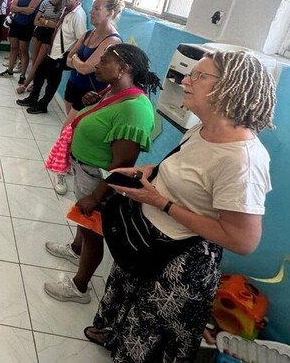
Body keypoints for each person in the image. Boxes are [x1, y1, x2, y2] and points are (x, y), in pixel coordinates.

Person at [86, 50, 275, 362]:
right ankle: (111, 335)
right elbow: (179, 170)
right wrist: (145, 172)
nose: (186, 79)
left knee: (148, 332)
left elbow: (243, 240)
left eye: (199, 76)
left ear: (229, 87)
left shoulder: (243, 160)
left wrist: (162, 203)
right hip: (147, 242)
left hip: (179, 262)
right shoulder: (202, 128)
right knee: (127, 304)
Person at [43, 44, 159, 304]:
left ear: (122, 68)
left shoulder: (134, 109)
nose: (97, 64)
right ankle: (75, 249)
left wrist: (96, 197)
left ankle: (79, 287)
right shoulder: (115, 92)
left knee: (93, 232)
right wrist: (89, 104)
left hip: (99, 181)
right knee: (84, 225)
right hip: (86, 171)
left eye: (103, 61)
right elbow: (102, 121)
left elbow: (123, 168)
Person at [17, 0, 87, 114]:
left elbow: (81, 38)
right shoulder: (67, 11)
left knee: (52, 82)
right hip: (53, 52)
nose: (66, 1)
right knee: (39, 74)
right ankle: (33, 98)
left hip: (61, 55)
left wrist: (69, 54)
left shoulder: (78, 16)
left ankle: (43, 105)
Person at [64, 0, 124, 112]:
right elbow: (68, 60)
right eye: (92, 8)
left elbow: (85, 69)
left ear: (110, 13)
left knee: (73, 127)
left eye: (97, 9)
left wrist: (75, 59)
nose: (91, 12)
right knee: (69, 128)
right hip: (73, 85)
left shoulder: (113, 40)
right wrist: (78, 62)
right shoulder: (88, 34)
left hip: (89, 93)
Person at [0, 0, 43, 84]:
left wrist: (20, 9)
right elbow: (12, 8)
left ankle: (23, 75)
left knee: (23, 50)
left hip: (27, 25)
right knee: (13, 48)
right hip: (16, 23)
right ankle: (9, 70)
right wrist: (24, 9)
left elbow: (30, 12)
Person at [17, 0, 65, 91]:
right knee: (35, 61)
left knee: (39, 62)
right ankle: (33, 82)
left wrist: (44, 20)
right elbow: (36, 21)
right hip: (39, 32)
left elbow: (57, 25)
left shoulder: (63, 7)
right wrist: (48, 22)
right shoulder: (45, 3)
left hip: (49, 36)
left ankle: (25, 85)